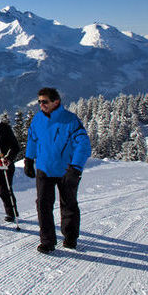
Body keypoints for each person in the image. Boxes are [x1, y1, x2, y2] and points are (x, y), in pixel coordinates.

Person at [24, 87, 91, 254]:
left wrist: (76, 167)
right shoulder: (38, 119)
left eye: (44, 101)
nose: (41, 105)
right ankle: (47, 241)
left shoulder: (70, 120)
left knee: (68, 205)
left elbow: (83, 145)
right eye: (39, 101)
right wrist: (29, 159)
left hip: (66, 170)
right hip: (44, 169)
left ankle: (70, 237)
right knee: (43, 205)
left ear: (56, 102)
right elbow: (32, 139)